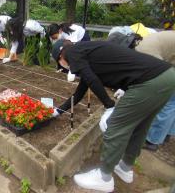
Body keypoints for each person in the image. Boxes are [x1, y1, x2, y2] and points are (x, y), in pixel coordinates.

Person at [51, 40, 175, 192]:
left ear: (61, 57)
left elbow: (92, 80)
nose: (63, 67)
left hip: (149, 82)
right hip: (166, 77)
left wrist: (109, 106)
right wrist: (58, 111)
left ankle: (103, 178)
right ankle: (125, 168)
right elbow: (80, 92)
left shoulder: (72, 52)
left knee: (114, 126)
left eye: (60, 63)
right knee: (140, 126)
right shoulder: (87, 52)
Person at [107, 31, 175, 152]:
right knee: (172, 103)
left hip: (169, 69)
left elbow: (156, 77)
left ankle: (153, 140)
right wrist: (124, 88)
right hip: (171, 63)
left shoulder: (145, 51)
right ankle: (166, 134)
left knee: (167, 103)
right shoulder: (143, 44)